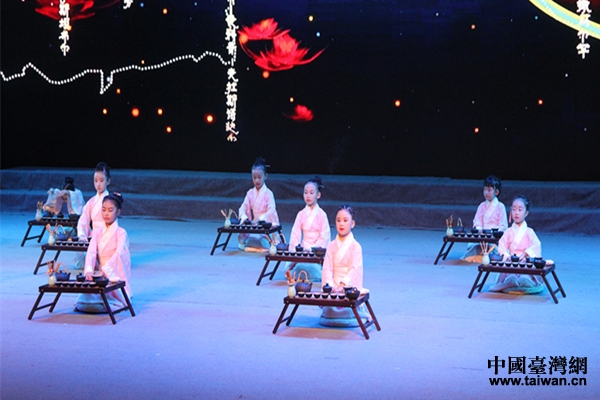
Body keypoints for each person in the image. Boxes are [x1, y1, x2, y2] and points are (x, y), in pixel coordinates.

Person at [76, 192, 132, 313]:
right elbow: (91, 252)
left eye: (110, 210)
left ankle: (106, 302)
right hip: (100, 275)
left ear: (118, 212)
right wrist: (89, 271)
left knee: (108, 295)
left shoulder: (121, 233)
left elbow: (120, 254)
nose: (106, 213)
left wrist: (106, 271)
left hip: (113, 275)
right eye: (103, 210)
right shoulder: (97, 232)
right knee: (84, 298)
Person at [320, 205, 367, 327]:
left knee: (346, 306)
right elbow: (327, 269)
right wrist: (330, 286)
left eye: (345, 220)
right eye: (338, 220)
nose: (341, 224)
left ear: (352, 224)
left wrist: (343, 285)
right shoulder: (331, 245)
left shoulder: (356, 247)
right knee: (331, 309)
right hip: (333, 288)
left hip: (348, 288)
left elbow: (354, 269)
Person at [489, 195, 543, 294]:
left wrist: (525, 253)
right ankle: (511, 281)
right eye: (514, 209)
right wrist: (507, 256)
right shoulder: (508, 232)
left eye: (520, 210)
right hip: (511, 261)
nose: (516, 213)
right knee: (511, 275)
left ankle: (524, 281)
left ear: (526, 213)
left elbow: (537, 245)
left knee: (525, 275)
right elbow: (502, 246)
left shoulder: (529, 231)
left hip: (525, 262)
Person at [287, 176, 331, 280]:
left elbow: (324, 236)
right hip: (302, 250)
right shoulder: (301, 214)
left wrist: (313, 249)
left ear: (318, 195)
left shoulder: (322, 215)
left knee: (314, 269)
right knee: (296, 267)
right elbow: (295, 234)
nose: (308, 196)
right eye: (305, 192)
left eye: (311, 193)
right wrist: (298, 249)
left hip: (316, 251)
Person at [462, 175, 508, 263]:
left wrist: (495, 233)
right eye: (485, 190)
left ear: (496, 192)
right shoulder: (481, 206)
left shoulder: (500, 206)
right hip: (482, 236)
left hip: (494, 238)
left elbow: (503, 225)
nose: (486, 192)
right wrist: (479, 229)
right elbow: (477, 222)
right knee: (475, 248)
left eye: (489, 190)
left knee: (494, 250)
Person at [238, 157, 280, 252]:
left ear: (266, 176)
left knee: (262, 240)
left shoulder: (268, 193)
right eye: (254, 177)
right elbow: (243, 207)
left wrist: (261, 219)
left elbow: (272, 210)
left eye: (259, 177)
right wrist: (245, 217)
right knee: (251, 238)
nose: (257, 180)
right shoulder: (250, 193)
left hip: (264, 225)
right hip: (254, 225)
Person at [77, 162, 110, 241]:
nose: (98, 184)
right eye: (95, 181)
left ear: (108, 181)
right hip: (94, 236)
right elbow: (84, 219)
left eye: (101, 180)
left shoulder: (111, 201)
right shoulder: (91, 202)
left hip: (107, 236)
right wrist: (82, 234)